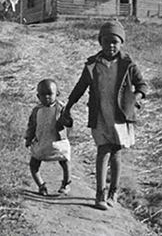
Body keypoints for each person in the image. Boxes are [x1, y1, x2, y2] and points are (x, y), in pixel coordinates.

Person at [62, 20, 147, 210]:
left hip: (119, 116)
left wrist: (135, 97)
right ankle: (99, 194)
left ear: (121, 43)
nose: (111, 46)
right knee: (102, 151)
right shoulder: (93, 64)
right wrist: (68, 106)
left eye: (115, 42)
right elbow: (80, 87)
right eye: (107, 42)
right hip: (99, 115)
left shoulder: (127, 64)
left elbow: (142, 85)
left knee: (116, 153)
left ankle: (113, 193)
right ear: (100, 42)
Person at [25, 79, 73, 196]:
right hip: (41, 142)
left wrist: (65, 120)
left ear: (57, 94)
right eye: (43, 94)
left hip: (57, 143)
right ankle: (41, 186)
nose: (46, 97)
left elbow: (69, 122)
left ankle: (66, 184)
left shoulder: (61, 108)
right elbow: (32, 125)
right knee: (34, 164)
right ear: (38, 96)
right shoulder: (36, 110)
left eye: (50, 94)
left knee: (65, 162)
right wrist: (28, 138)